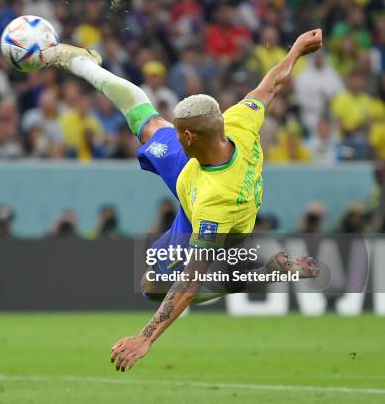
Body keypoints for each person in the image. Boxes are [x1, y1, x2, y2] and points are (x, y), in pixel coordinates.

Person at [46, 28, 323, 371]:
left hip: (216, 217)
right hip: (195, 169)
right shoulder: (239, 121)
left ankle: (267, 274)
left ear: (188, 136)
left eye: (178, 131)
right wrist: (296, 49)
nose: (173, 133)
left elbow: (191, 280)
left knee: (153, 283)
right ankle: (83, 64)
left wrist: (145, 337)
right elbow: (271, 85)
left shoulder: (215, 203)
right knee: (144, 119)